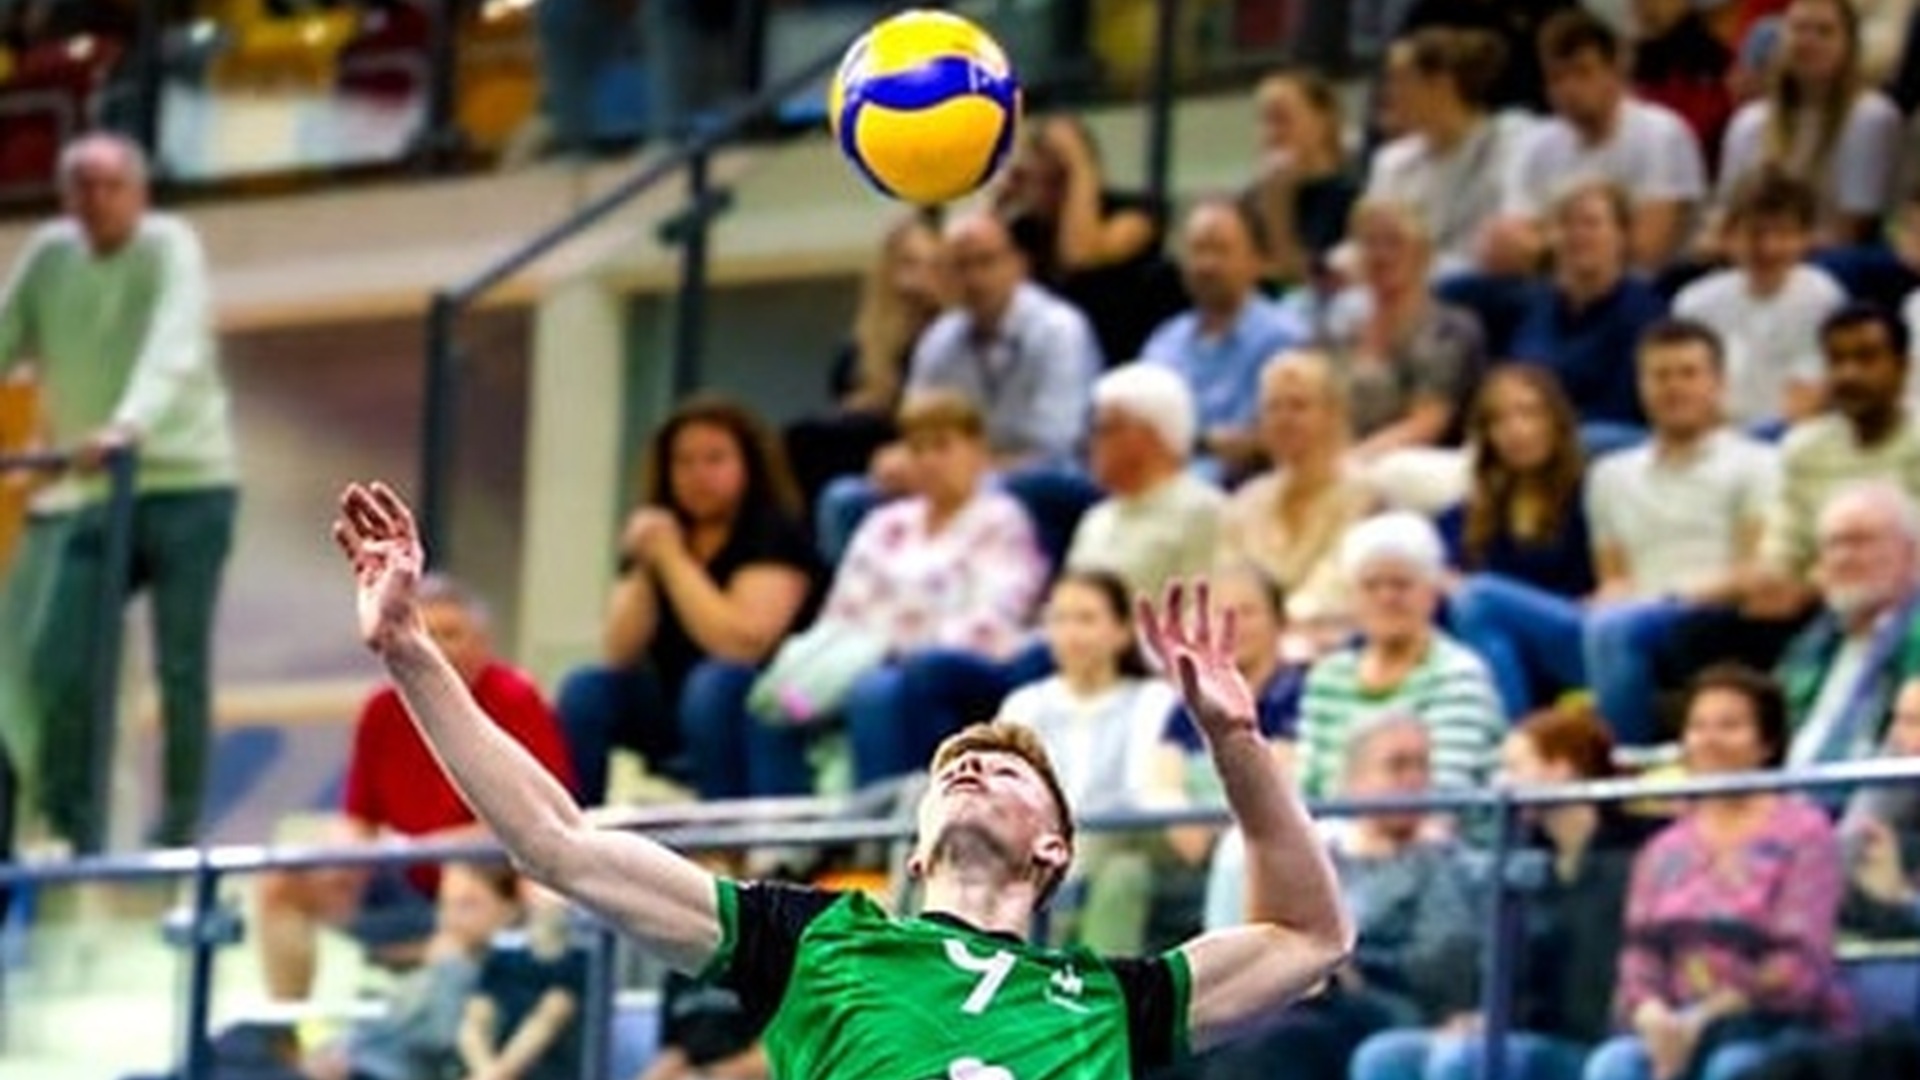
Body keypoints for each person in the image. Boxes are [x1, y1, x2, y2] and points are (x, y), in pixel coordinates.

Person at [332, 480, 1354, 1077]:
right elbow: (556, 843)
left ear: (1054, 849)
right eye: (952, 768)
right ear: (914, 852)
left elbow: (1310, 936)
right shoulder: (815, 939)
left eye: (1005, 768)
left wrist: (1235, 742)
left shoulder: (1109, 1001)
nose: (971, 764)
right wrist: (410, 651)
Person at [0, 131, 240, 850]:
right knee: (54, 661)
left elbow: (174, 343)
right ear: (65, 196)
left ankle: (178, 828)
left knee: (180, 663)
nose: (98, 201)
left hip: (189, 484)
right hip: (95, 494)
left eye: (112, 187)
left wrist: (127, 425)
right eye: (84, 188)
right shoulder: (50, 257)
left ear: (140, 193)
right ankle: (73, 827)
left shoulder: (170, 247)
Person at [254, 575, 576, 1004]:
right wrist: (343, 857)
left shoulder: (516, 698)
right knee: (283, 883)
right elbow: (358, 820)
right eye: (426, 635)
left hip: (493, 877)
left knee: (521, 891)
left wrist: (429, 848)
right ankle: (284, 1036)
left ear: (483, 644)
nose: (437, 648)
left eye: (451, 634)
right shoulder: (381, 709)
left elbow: (544, 823)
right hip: (402, 874)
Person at [1350, 706, 1655, 1080]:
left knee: (1463, 1060)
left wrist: (1501, 1020)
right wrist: (1483, 1016)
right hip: (1517, 1027)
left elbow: (1588, 987)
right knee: (1385, 1055)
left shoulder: (1629, 859)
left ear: (1560, 769)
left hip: (1586, 1038)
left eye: (1515, 768)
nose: (1500, 783)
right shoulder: (1525, 858)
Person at [1585, 664, 1851, 1080]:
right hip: (1674, 1022)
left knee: (1733, 1068)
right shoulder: (1663, 847)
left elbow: (1798, 964)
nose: (1709, 739)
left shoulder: (1805, 833)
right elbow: (1639, 954)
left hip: (1773, 1024)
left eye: (1729, 726)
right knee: (1614, 1065)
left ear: (1766, 744)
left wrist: (1703, 1019)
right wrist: (1652, 1013)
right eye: (1698, 727)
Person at [555, 396, 823, 804]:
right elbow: (618, 651)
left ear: (748, 465)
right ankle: (575, 822)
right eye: (683, 462)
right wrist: (646, 564)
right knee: (585, 688)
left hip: (764, 699)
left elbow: (742, 644)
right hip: (668, 700)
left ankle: (722, 827)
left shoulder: (774, 534)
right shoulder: (661, 534)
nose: (698, 475)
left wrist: (673, 560)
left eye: (715, 460)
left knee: (712, 683)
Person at [1442, 366, 1598, 718]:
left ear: (1556, 421)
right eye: (1499, 420)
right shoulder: (1480, 508)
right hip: (1513, 648)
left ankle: (1509, 735)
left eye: (1529, 413)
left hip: (1579, 633)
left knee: (1478, 597)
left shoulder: (1589, 493)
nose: (1516, 430)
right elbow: (1435, 562)